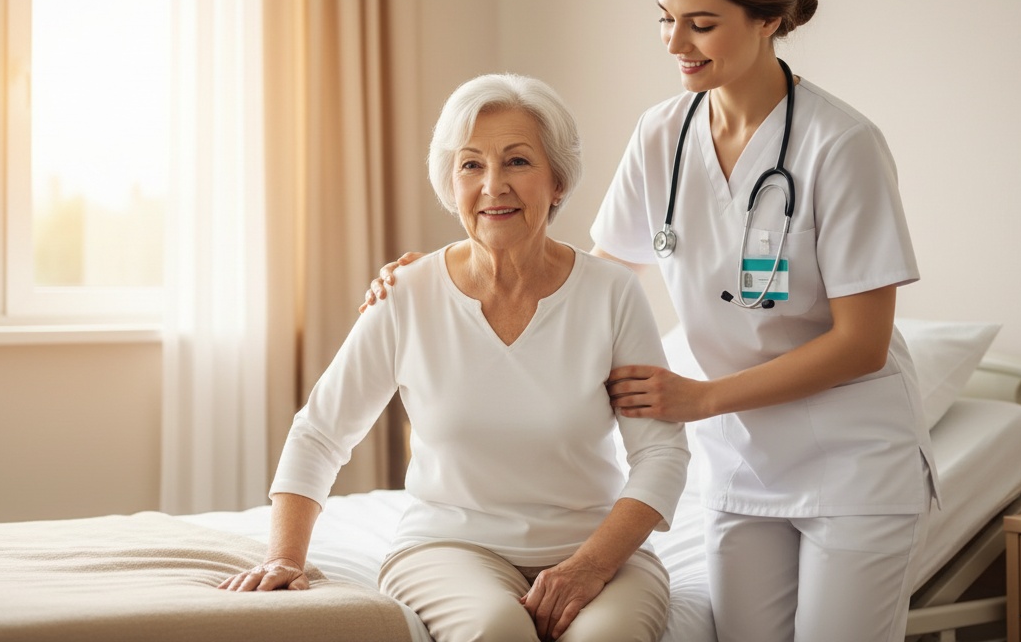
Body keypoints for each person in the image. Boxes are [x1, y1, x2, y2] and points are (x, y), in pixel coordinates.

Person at [361, 0, 938, 642]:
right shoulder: (663, 133)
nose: (676, 42)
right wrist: (452, 275)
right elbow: (592, 284)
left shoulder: (840, 144)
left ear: (767, 18)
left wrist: (703, 397)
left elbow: (862, 342)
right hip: (739, 468)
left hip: (853, 465)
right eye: (664, 18)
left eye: (701, 22)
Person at [220, 73, 689, 642]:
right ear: (451, 182)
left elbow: (662, 453)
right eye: (471, 165)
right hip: (448, 547)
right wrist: (285, 557)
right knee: (498, 630)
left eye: (518, 162)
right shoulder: (408, 294)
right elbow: (321, 431)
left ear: (558, 181)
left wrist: (589, 567)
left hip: (595, 548)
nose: (494, 185)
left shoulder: (612, 294)